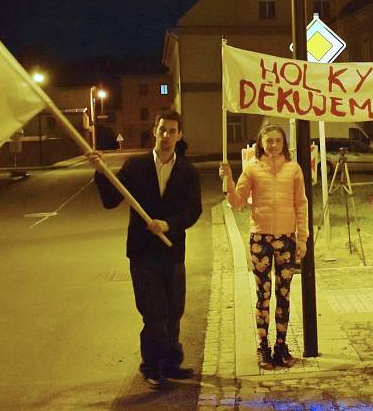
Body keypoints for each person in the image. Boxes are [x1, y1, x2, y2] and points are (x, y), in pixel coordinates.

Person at [90, 110, 202, 389]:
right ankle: (151, 366)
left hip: (173, 251)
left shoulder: (188, 172)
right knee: (154, 314)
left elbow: (193, 210)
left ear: (180, 135)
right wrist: (101, 171)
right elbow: (111, 199)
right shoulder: (135, 167)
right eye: (162, 130)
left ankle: (171, 363)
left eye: (172, 131)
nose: (166, 136)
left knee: (174, 310)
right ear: (154, 131)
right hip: (143, 254)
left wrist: (168, 224)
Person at [219, 123, 308, 369]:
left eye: (278, 141)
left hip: (287, 239)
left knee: (284, 294)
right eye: (269, 141)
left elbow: (301, 204)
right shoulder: (252, 169)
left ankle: (281, 346)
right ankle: (263, 347)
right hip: (260, 240)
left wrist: (302, 237)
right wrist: (228, 179)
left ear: (284, 144)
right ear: (261, 143)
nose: (273, 145)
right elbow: (237, 202)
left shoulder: (294, 170)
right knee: (263, 295)